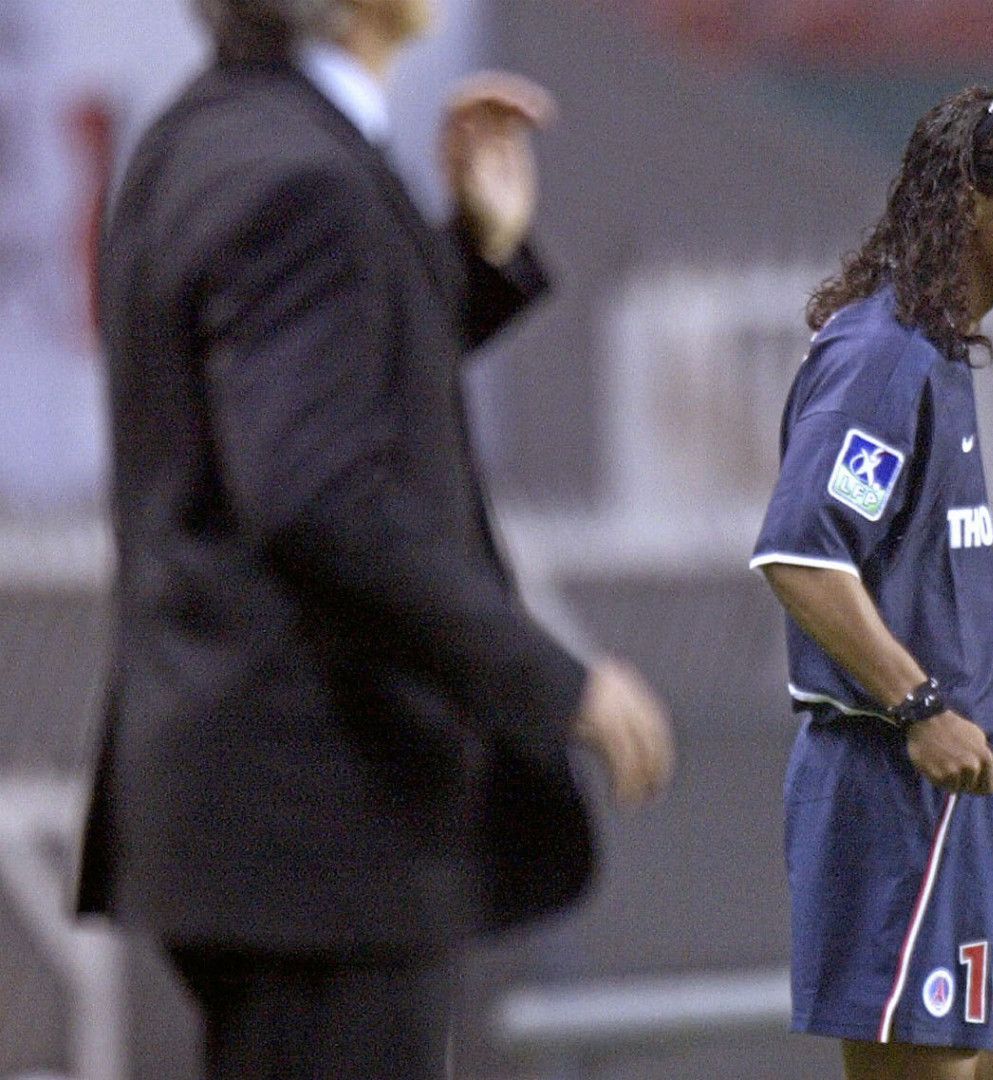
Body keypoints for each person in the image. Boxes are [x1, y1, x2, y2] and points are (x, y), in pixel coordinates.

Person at [74, 1, 675, 1076]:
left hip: (251, 822)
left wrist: (472, 254)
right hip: (321, 830)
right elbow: (321, 500)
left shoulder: (206, 135)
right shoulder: (305, 177)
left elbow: (308, 406)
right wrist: (555, 682)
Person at [749, 86, 993, 1080]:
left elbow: (925, 564)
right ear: (972, 204)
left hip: (975, 793)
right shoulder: (881, 355)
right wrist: (923, 704)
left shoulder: (935, 353)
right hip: (899, 791)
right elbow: (802, 554)